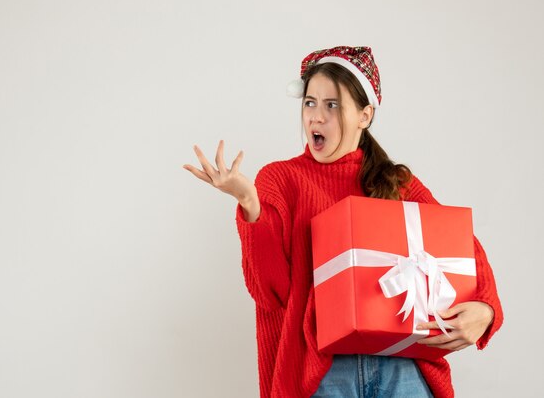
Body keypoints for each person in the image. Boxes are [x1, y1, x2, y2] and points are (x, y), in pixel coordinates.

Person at [183, 46, 503, 398]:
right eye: (309, 102)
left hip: (403, 370)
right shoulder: (281, 180)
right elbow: (270, 293)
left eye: (331, 105)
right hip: (320, 374)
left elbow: (460, 245)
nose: (316, 117)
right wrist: (250, 205)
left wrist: (486, 309)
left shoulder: (396, 182)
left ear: (365, 115)